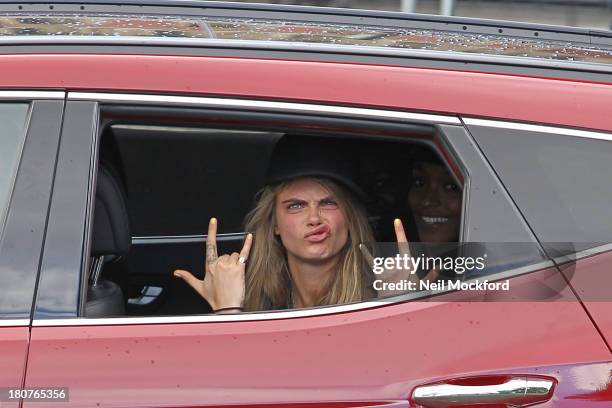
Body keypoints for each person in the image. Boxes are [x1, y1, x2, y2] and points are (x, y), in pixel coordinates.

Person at [174, 136, 376, 313]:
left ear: (349, 217)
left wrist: (394, 300)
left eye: (329, 203)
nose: (315, 218)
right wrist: (228, 309)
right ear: (274, 224)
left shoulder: (379, 298)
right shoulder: (256, 304)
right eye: (296, 205)